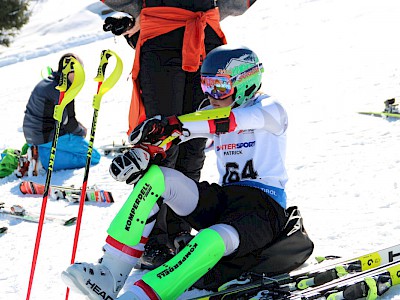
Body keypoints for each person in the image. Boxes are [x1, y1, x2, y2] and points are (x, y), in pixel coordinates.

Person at [62, 45, 314, 300]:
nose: (211, 95)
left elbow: (231, 119)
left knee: (209, 239)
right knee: (157, 179)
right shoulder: (214, 112)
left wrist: (177, 123)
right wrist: (145, 152)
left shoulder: (271, 109)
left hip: (264, 211)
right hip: (226, 200)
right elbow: (181, 133)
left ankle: (143, 296)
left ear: (245, 82)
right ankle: (110, 274)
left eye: (219, 87)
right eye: (206, 86)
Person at [101, 0, 231, 269]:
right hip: (161, 36)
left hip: (206, 38)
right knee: (162, 142)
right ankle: (150, 240)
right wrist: (136, 13)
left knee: (193, 143)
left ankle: (180, 229)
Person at [21, 53, 100, 176]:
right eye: (80, 69)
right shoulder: (63, 89)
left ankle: (36, 151)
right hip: (46, 136)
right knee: (93, 156)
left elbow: (62, 117)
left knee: (74, 143)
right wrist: (80, 131)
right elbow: (68, 123)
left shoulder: (50, 81)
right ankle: (43, 161)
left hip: (33, 135)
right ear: (71, 71)